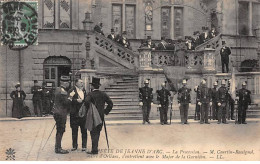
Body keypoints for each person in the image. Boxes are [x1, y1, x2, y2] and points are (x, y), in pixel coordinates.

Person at [85, 77, 113, 154]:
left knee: (93, 131)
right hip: (101, 115)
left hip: (93, 115)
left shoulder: (90, 94)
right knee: (98, 131)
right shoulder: (103, 94)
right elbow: (111, 104)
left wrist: (89, 108)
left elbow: (86, 102)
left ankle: (94, 150)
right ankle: (95, 148)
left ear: (92, 86)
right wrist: (105, 111)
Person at [53, 76, 71, 154]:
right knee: (61, 130)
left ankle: (57, 147)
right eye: (68, 83)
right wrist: (70, 97)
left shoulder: (57, 89)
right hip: (61, 113)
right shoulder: (63, 91)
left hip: (56, 112)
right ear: (65, 83)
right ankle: (58, 148)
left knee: (59, 130)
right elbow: (66, 103)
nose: (68, 84)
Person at [68, 79, 88, 151]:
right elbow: (69, 100)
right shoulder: (72, 90)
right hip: (74, 114)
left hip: (83, 114)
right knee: (74, 130)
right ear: (76, 83)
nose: (82, 83)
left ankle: (84, 146)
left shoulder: (84, 90)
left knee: (84, 130)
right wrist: (76, 100)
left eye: (82, 82)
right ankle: (74, 146)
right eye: (81, 82)